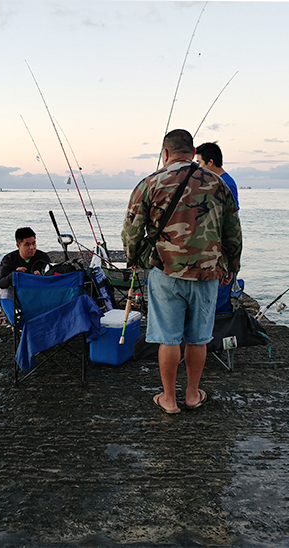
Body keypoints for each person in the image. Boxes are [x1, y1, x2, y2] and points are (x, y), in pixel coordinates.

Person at [122, 129, 242, 414]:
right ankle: (191, 395)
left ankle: (169, 400)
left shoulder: (149, 183)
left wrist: (136, 259)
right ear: (192, 153)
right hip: (207, 274)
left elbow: (131, 232)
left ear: (165, 154)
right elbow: (233, 232)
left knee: (168, 337)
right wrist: (231, 266)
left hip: (165, 272)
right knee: (199, 337)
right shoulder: (217, 182)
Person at [0, 227, 51, 300]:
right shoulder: (9, 259)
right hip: (16, 291)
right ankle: (9, 311)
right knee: (4, 293)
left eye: (34, 243)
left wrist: (41, 276)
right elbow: (1, 284)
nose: (32, 247)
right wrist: (14, 275)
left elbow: (51, 279)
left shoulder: (43, 257)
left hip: (36, 289)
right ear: (18, 246)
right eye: (27, 245)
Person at [195, 141, 239, 210]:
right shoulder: (212, 180)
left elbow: (233, 212)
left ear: (210, 162)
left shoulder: (226, 183)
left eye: (199, 163)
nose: (198, 167)